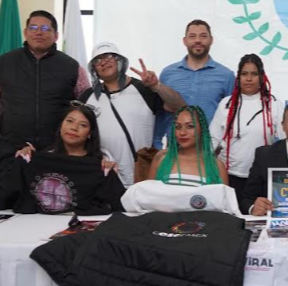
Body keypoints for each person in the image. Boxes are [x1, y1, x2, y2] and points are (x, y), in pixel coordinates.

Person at [79, 42, 185, 187]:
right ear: (94, 69)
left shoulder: (143, 89)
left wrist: (156, 86)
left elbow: (179, 107)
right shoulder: (87, 97)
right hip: (104, 176)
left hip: (141, 174)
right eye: (98, 60)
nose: (103, 62)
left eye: (108, 57)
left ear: (119, 61)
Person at [0, 10, 90, 149]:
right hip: (13, 146)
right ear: (25, 32)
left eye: (45, 28)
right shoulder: (4, 63)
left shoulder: (72, 66)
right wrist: (5, 121)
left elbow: (85, 102)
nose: (39, 32)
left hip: (58, 147)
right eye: (33, 28)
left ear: (56, 36)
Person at [151, 20, 236, 149]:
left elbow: (231, 117)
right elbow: (161, 114)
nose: (198, 40)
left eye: (203, 36)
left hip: (210, 150)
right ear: (184, 41)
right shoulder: (168, 73)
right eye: (192, 36)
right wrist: (157, 144)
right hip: (174, 149)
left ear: (211, 40)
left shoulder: (226, 76)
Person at [210, 54, 283, 202]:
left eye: (254, 74)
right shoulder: (226, 104)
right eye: (244, 74)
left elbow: (285, 141)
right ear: (238, 77)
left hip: (262, 177)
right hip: (230, 176)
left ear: (261, 77)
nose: (248, 79)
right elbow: (213, 140)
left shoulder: (274, 104)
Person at [148, 105, 228, 187]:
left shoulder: (216, 166)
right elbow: (148, 192)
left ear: (202, 129)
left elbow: (222, 195)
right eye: (178, 127)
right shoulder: (162, 159)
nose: (182, 132)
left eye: (190, 126)